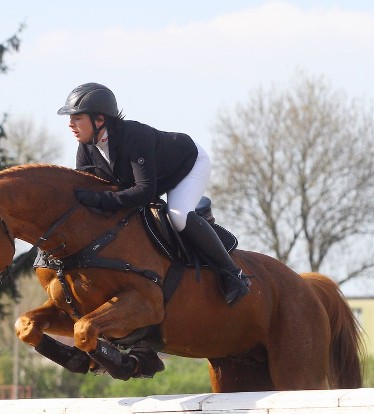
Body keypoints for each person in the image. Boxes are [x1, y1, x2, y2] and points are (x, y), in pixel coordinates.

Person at [57, 82, 251, 306]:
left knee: (177, 215)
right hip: (156, 177)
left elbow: (143, 191)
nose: (70, 124)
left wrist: (99, 199)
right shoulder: (86, 148)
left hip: (188, 164)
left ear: (99, 120)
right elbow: (88, 191)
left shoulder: (134, 137)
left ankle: (233, 274)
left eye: (77, 118)